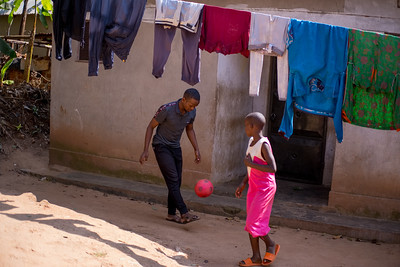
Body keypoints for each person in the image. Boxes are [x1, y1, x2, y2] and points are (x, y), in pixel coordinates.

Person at [139, 88, 201, 224]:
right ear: (183, 100)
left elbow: (189, 129)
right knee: (173, 179)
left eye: (195, 106)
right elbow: (150, 127)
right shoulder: (166, 109)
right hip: (161, 145)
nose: (192, 108)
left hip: (175, 147)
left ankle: (171, 214)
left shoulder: (192, 112)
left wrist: (196, 148)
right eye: (190, 105)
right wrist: (146, 150)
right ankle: (184, 212)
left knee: (176, 182)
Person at [235, 112, 280, 266]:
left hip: (265, 187)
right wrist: (243, 183)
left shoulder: (263, 144)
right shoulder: (251, 141)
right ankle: (263, 251)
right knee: (253, 220)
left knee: (253, 221)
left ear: (253, 126)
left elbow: (272, 167)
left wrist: (251, 165)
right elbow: (250, 165)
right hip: (254, 185)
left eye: (246, 126)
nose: (245, 129)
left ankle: (265, 249)